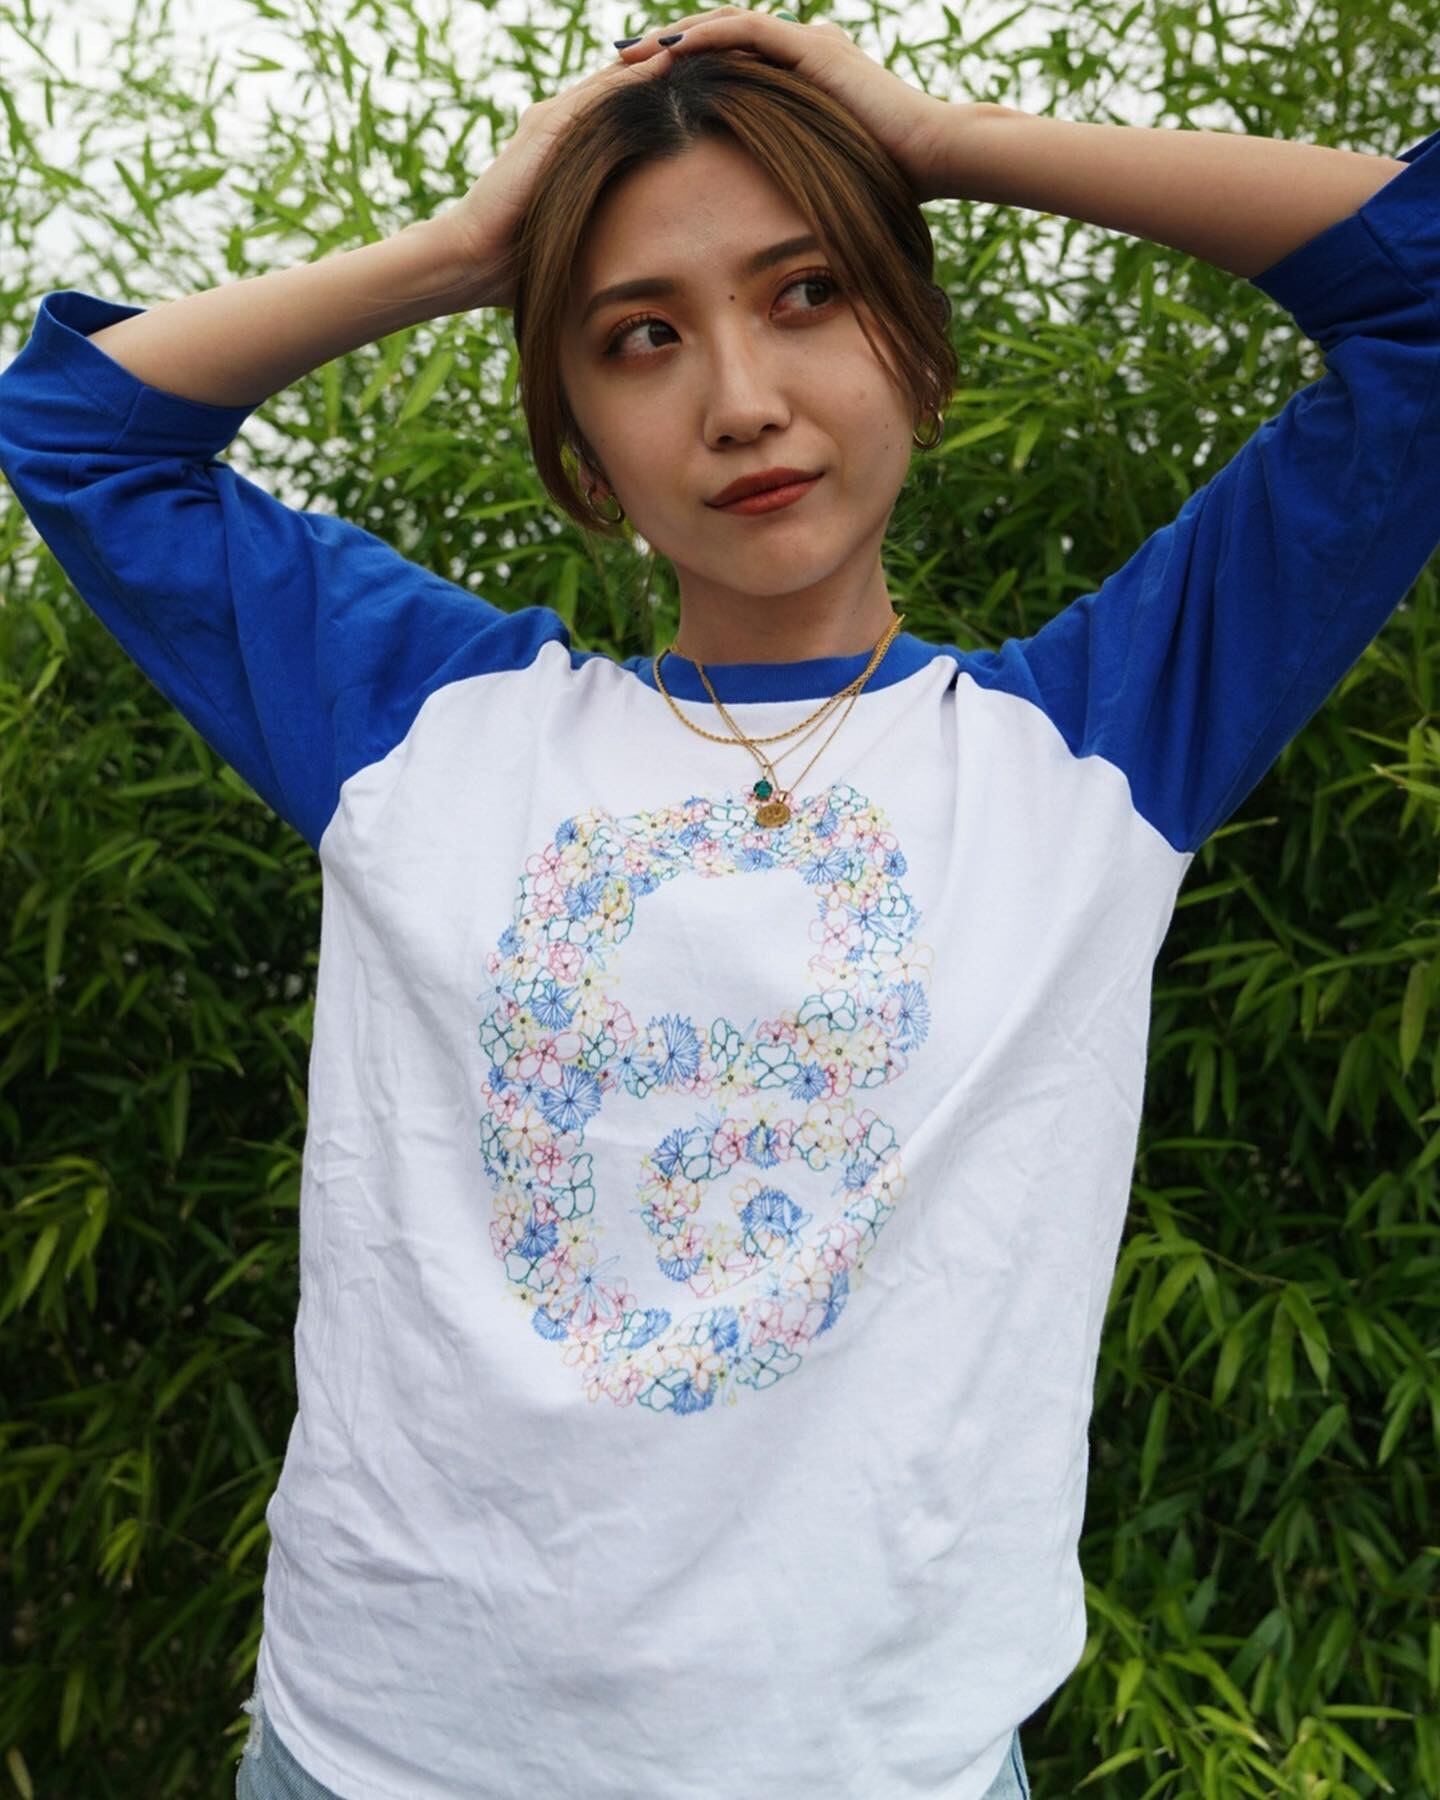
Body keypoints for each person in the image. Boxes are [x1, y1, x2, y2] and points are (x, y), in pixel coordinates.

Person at [0, 8, 1435, 1796]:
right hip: (384, 1749)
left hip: (873, 1761)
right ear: (578, 445)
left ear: (919, 346)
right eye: (641, 336)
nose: (742, 397)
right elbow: (80, 430)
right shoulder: (424, 734)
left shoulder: (1097, 753)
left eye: (811, 293)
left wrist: (943, 143)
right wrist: (473, 249)